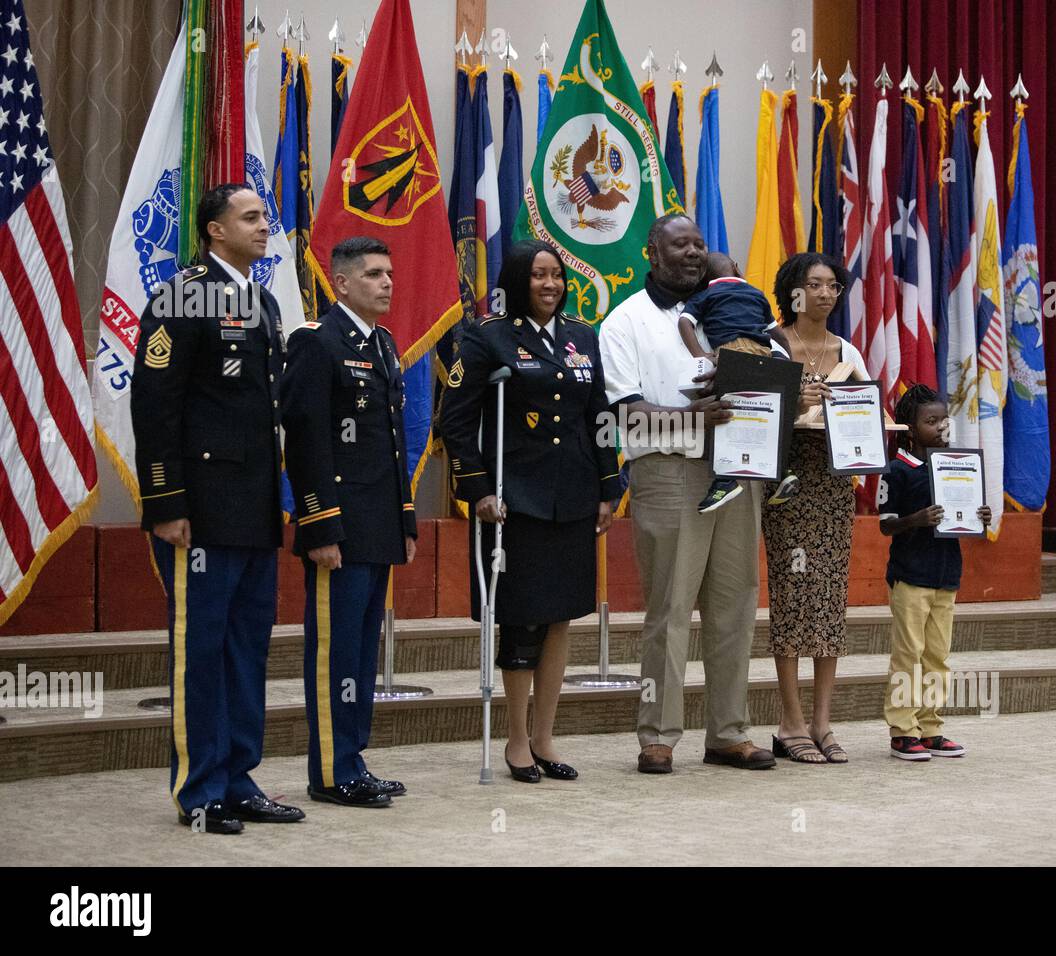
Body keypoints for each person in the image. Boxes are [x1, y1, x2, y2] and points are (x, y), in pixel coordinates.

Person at [131, 183, 303, 833]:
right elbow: (154, 404)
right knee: (200, 650)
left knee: (244, 650)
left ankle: (238, 776)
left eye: (265, 216)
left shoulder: (259, 301)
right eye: (250, 217)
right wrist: (165, 501)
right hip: (197, 511)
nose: (264, 227)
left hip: (253, 508)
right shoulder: (182, 295)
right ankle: (198, 787)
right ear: (213, 231)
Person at [599, 213, 776, 774]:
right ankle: (657, 735)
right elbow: (627, 416)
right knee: (670, 610)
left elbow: (770, 374)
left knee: (735, 607)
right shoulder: (625, 322)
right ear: (653, 252)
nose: (695, 252)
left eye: (700, 243)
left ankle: (728, 732)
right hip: (669, 472)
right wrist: (691, 417)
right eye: (680, 244)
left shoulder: (733, 310)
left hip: (738, 469)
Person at [439, 239, 622, 783]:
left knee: (561, 616)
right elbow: (456, 420)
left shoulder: (581, 337)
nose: (550, 285)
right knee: (521, 622)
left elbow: (600, 415)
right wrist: (478, 492)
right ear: (518, 281)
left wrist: (610, 486)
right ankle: (516, 740)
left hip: (573, 498)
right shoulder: (485, 337)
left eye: (556, 276)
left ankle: (545, 737)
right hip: (513, 502)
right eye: (539, 275)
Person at [281, 236, 417, 807]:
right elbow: (307, 441)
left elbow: (389, 446)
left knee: (363, 650)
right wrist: (320, 526)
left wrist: (405, 519)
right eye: (373, 274)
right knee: (335, 652)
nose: (387, 282)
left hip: (378, 524)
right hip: (338, 526)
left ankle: (353, 758)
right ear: (341, 282)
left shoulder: (382, 344)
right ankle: (332, 770)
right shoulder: (318, 343)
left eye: (389, 272)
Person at [763, 253, 865, 765]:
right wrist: (796, 402)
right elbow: (748, 416)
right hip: (787, 481)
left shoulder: (848, 350)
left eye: (833, 286)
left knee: (829, 600)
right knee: (791, 596)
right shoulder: (769, 343)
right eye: (814, 285)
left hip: (833, 483)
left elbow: (869, 417)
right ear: (793, 291)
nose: (825, 294)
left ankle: (823, 722)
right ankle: (790, 721)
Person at [879, 384, 992, 760]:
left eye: (944, 419)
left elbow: (965, 515)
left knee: (938, 656)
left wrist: (979, 516)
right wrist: (916, 519)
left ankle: (929, 727)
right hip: (910, 575)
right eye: (931, 421)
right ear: (909, 429)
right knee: (908, 654)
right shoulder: (897, 469)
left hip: (946, 574)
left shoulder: (956, 465)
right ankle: (901, 729)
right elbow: (886, 525)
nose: (941, 426)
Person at [678, 252, 799, 513]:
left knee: (726, 413)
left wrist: (699, 354)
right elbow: (779, 334)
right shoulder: (756, 294)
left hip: (732, 354)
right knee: (764, 413)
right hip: (765, 356)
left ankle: (725, 480)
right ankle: (783, 470)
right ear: (736, 267)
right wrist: (787, 364)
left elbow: (684, 322)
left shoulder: (704, 296)